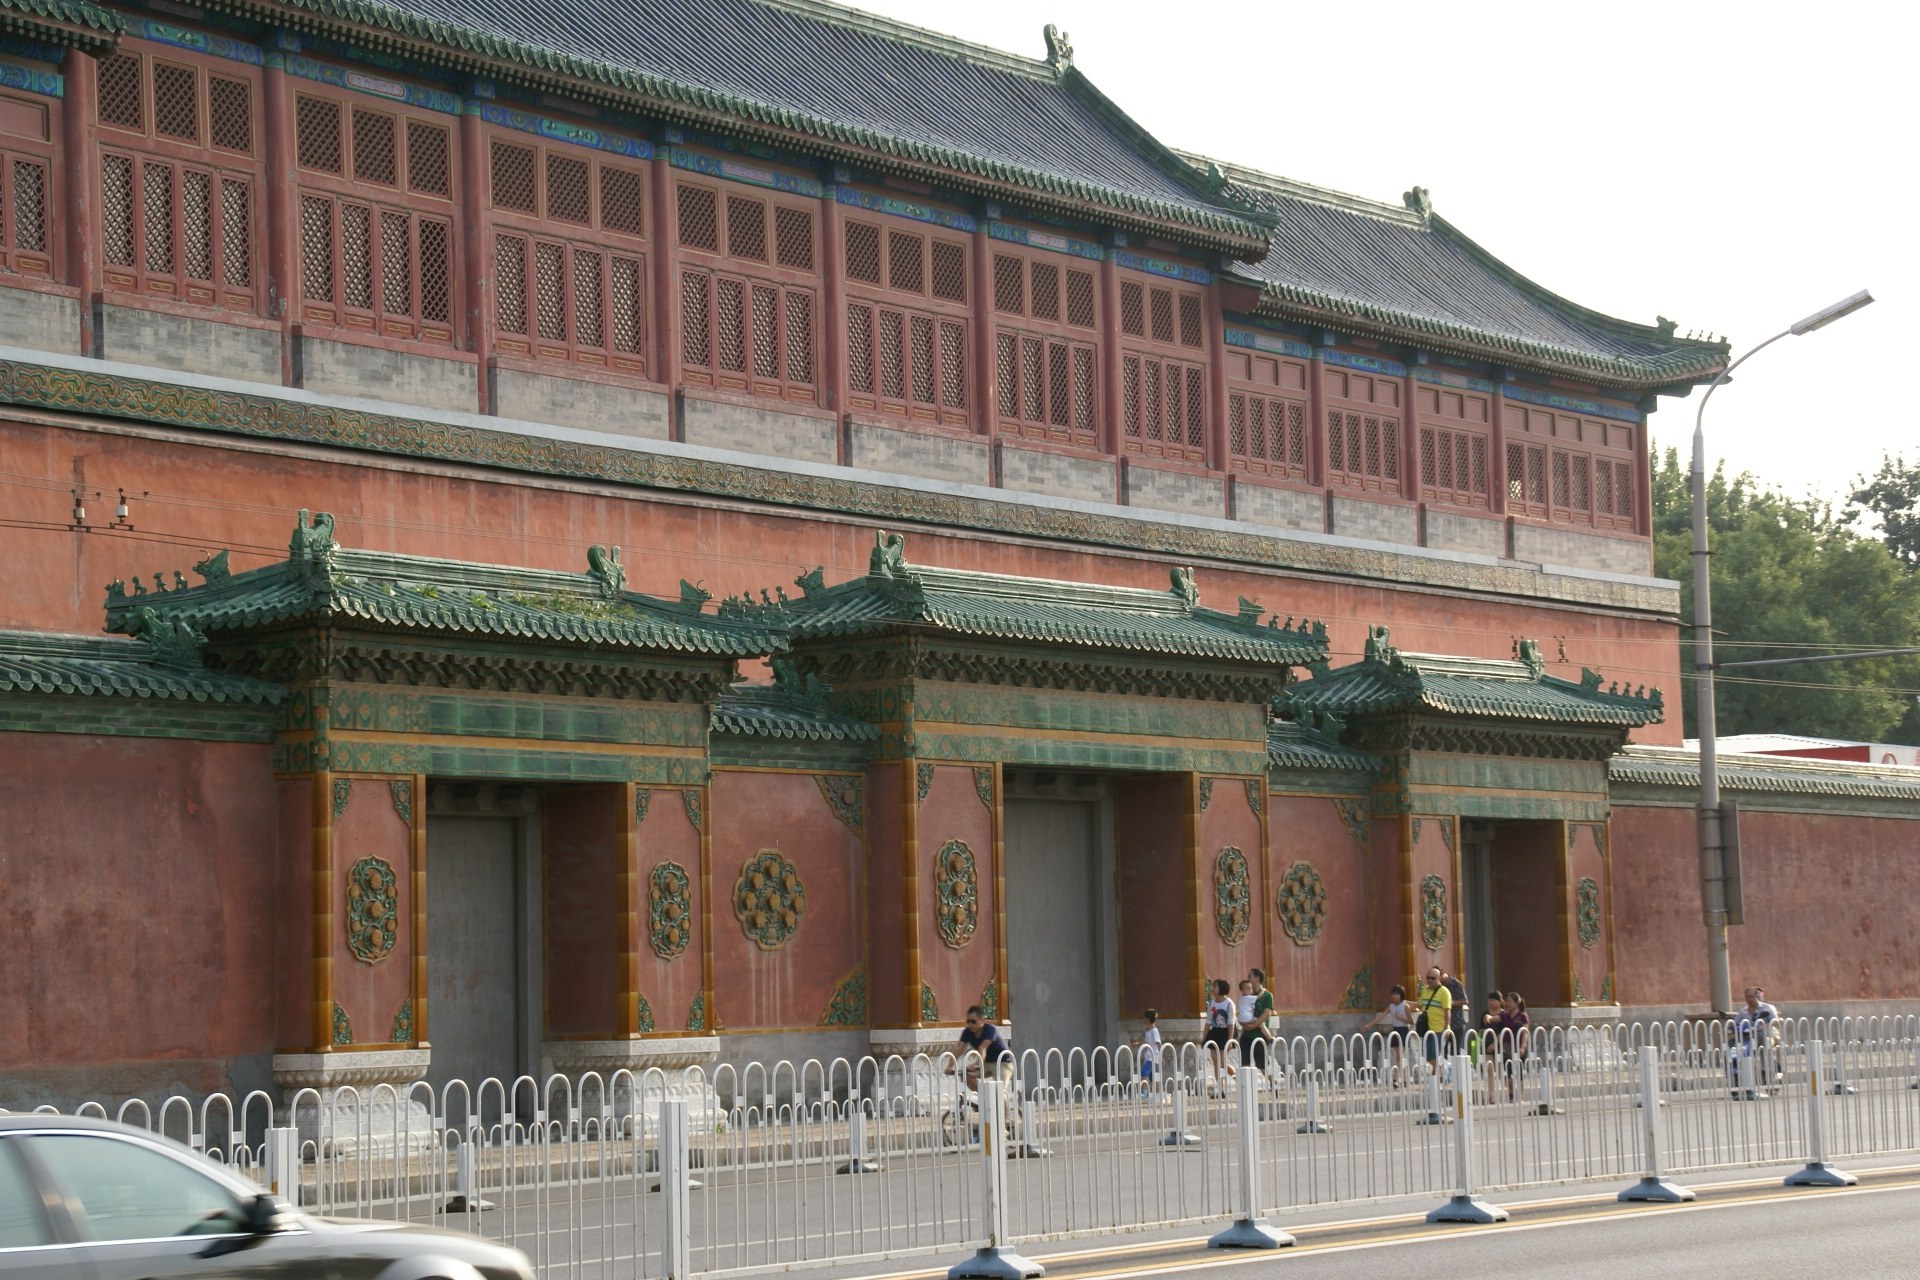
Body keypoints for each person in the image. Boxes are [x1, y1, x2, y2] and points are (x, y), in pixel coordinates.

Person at [1731, 985, 1781, 1091]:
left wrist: (1764, 1026)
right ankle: (1737, 1076)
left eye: (1751, 996)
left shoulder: (1766, 1008)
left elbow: (1775, 1020)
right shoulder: (1743, 1011)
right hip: (1748, 1037)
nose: (1749, 999)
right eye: (1747, 997)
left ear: (1756, 996)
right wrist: (1733, 1027)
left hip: (1766, 1035)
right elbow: (1736, 1023)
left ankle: (1768, 1074)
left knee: (1764, 1044)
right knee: (1735, 1047)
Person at [1362, 984, 1415, 1084]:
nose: (1394, 996)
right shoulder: (1391, 1006)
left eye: (1396, 994)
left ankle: (1396, 1079)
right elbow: (1380, 1017)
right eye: (1393, 994)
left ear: (1401, 995)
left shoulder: (1405, 1006)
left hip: (1403, 1030)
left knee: (1400, 1055)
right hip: (1395, 1031)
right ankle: (1403, 1078)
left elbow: (1411, 1021)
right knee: (1398, 1055)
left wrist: (1401, 1018)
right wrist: (1369, 1025)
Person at [957, 1005, 1014, 1089]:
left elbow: (983, 1047)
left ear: (981, 1020)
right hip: (986, 1062)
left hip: (1003, 1063)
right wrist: (950, 1065)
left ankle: (999, 1100)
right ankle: (984, 1097)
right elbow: (959, 1048)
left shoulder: (990, 1030)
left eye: (973, 1021)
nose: (970, 1024)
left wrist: (977, 1064)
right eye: (968, 1021)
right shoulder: (967, 1032)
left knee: (1000, 1092)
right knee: (966, 1075)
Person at [1495, 992, 1531, 1100]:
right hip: (1506, 1046)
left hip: (1518, 1045)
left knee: (1519, 1071)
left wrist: (1522, 1047)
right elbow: (1494, 1018)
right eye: (1507, 1001)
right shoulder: (1505, 1015)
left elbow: (1525, 1032)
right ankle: (1511, 1094)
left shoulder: (1522, 1016)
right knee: (1508, 1072)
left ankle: (1520, 1095)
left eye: (1510, 1001)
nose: (1507, 1003)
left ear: (1516, 1003)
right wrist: (1487, 1016)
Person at [1416, 966, 1452, 1070]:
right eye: (1428, 978)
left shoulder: (1444, 992)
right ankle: (1440, 1072)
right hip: (1427, 1029)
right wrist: (1404, 1003)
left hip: (1439, 1030)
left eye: (1433, 978)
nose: (1430, 980)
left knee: (1435, 1055)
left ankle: (1442, 1072)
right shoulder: (1425, 991)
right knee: (1428, 1056)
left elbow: (1447, 1011)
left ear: (1439, 978)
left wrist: (1446, 1028)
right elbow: (1420, 1005)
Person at [1240, 969, 1275, 1071]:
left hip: (1259, 1036)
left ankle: (1273, 1084)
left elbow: (1266, 1013)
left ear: (1257, 978)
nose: (1248, 979)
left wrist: (1254, 1026)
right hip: (1246, 1035)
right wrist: (1245, 1026)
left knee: (1262, 1065)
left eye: (1250, 976)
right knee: (1244, 1065)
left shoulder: (1267, 996)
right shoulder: (1246, 996)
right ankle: (1246, 1086)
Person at [1204, 979, 1238, 1079]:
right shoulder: (1211, 1003)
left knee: (1222, 1062)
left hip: (1225, 1032)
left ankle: (1235, 1076)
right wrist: (1204, 1037)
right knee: (1216, 1062)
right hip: (1215, 1032)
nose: (1213, 989)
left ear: (1221, 988)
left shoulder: (1229, 1003)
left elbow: (1231, 1022)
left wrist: (1230, 1040)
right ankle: (1220, 1089)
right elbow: (1208, 1021)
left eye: (1215, 986)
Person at [1133, 1008, 1163, 1086]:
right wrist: (1137, 1043)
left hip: (1152, 1057)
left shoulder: (1154, 1031)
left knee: (1144, 1072)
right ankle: (1159, 1093)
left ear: (1147, 1019)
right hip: (1148, 1057)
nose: (1143, 1019)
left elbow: (1159, 1043)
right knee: (1152, 1077)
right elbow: (1145, 1041)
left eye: (1144, 1018)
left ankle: (1145, 1092)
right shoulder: (1147, 1030)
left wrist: (1161, 1056)